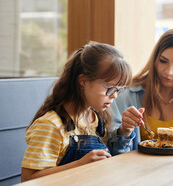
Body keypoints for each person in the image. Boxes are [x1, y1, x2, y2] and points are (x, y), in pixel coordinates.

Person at [21, 41, 132, 181]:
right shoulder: (51, 125)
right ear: (83, 81)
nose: (114, 95)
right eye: (110, 88)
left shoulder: (95, 118)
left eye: (119, 90)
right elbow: (28, 179)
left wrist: (124, 131)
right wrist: (80, 165)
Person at [109, 28, 173, 155]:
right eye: (163, 61)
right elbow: (113, 153)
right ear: (154, 60)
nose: (169, 72)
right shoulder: (125, 95)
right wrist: (124, 131)